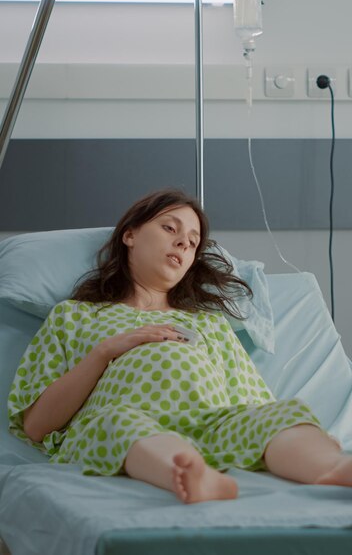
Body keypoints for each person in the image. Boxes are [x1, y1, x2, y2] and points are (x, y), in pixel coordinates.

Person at [8, 188, 352, 504]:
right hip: (124, 420)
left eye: (193, 241)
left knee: (279, 414)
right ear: (130, 235)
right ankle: (190, 473)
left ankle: (331, 468)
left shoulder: (210, 323)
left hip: (212, 424)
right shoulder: (75, 316)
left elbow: (249, 402)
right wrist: (106, 350)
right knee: (119, 424)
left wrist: (295, 434)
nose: (184, 244)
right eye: (170, 229)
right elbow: (37, 426)